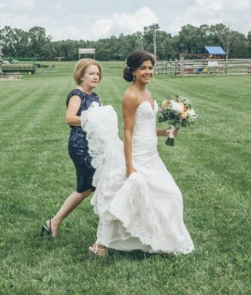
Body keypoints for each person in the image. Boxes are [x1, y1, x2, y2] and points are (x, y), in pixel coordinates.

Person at [82, 50, 194, 256]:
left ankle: (163, 241)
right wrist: (129, 166)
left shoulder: (148, 94)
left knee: (170, 195)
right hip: (137, 156)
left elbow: (147, 127)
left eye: (150, 68)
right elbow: (128, 132)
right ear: (133, 70)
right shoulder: (130, 96)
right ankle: (100, 245)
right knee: (128, 196)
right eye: (143, 68)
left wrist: (166, 132)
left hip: (152, 155)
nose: (148, 72)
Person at [41, 58, 103, 238]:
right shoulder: (77, 95)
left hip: (94, 144)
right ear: (81, 76)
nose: (96, 77)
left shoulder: (95, 96)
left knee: (95, 185)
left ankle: (54, 222)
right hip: (80, 145)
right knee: (86, 187)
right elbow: (69, 118)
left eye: (97, 73)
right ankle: (54, 221)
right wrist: (92, 119)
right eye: (91, 73)